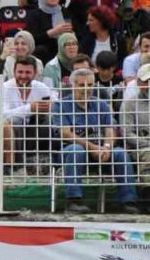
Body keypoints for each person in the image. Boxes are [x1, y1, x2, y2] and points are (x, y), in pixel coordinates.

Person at [57, 67, 138, 212]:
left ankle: (128, 201)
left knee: (120, 152)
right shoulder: (60, 105)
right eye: (82, 85)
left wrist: (106, 147)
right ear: (73, 86)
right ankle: (74, 200)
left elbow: (111, 129)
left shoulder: (101, 104)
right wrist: (93, 147)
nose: (87, 89)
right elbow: (66, 134)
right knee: (76, 150)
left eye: (90, 85)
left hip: (100, 150)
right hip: (71, 151)